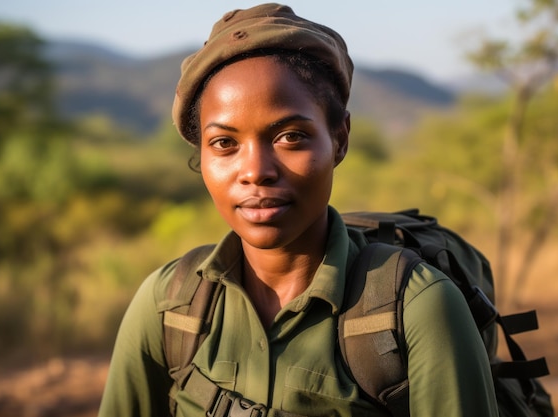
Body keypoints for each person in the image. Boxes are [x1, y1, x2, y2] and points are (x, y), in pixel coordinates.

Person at [98, 4, 499, 417]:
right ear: (201, 156)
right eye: (224, 144)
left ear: (339, 139)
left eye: (291, 136)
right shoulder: (170, 306)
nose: (255, 172)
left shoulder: (416, 308)